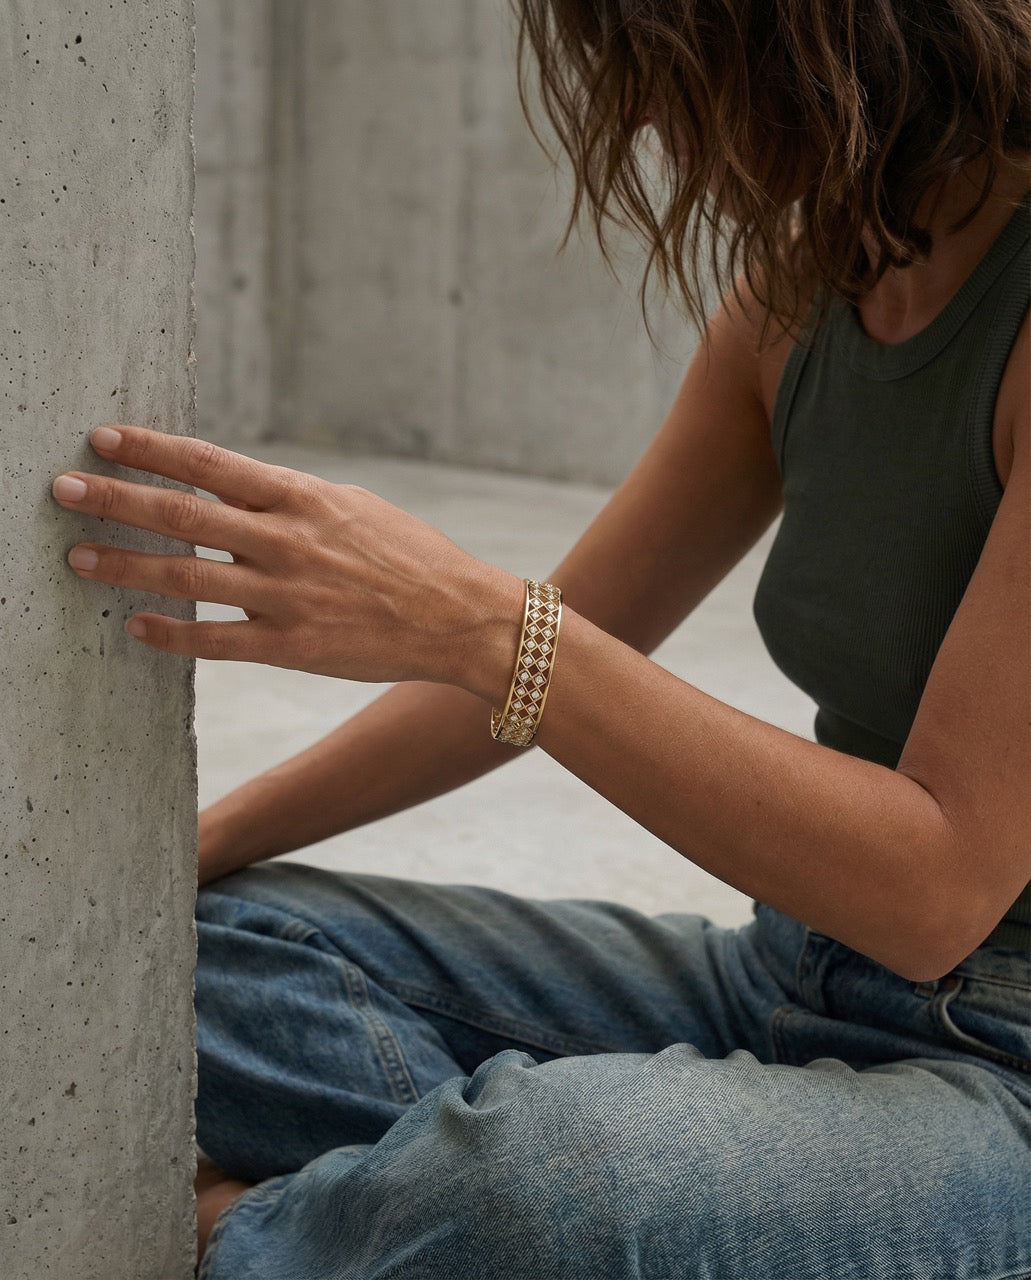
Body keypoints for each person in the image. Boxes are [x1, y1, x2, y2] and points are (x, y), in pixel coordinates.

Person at [52, 1, 1029, 1275]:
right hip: (776, 978)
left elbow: (935, 887)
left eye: (657, 73)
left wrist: (478, 619)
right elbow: (532, 654)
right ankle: (402, 1215)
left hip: (999, 1077)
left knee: (559, 1184)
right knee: (188, 962)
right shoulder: (802, 287)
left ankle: (243, 1230)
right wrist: (196, 850)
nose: (638, 120)